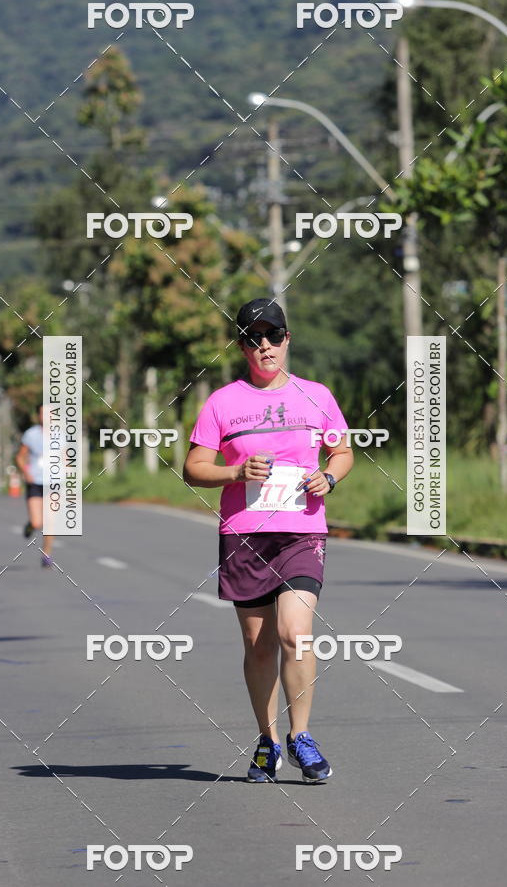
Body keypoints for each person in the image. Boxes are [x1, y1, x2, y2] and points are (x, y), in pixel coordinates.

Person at [183, 298, 353, 784]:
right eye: (254, 339)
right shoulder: (222, 402)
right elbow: (194, 466)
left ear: (287, 340)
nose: (265, 346)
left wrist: (330, 478)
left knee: (294, 633)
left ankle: (302, 737)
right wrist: (235, 471)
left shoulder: (317, 395)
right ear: (242, 347)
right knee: (259, 646)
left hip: (302, 530)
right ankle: (267, 739)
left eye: (273, 336)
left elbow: (341, 451)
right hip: (245, 535)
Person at [15, 403, 54, 568]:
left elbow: (66, 457)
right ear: (38, 416)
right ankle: (31, 525)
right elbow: (20, 457)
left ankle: (47, 554)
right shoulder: (31, 435)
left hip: (53, 482)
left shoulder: (61, 435)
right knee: (38, 522)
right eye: (43, 414)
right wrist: (26, 473)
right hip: (35, 482)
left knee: (51, 521)